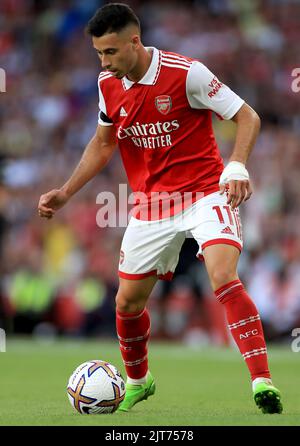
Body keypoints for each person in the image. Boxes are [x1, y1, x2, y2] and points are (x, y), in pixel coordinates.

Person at [38, 3, 282, 414]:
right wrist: (65, 191)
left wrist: (237, 164)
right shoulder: (107, 84)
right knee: (126, 304)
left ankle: (262, 381)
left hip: (206, 193)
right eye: (98, 53)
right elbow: (103, 144)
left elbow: (247, 116)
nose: (104, 61)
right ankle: (138, 380)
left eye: (111, 52)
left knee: (223, 276)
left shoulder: (187, 72)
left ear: (135, 41)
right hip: (152, 205)